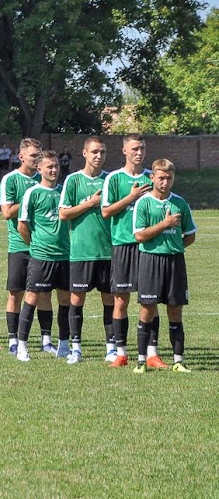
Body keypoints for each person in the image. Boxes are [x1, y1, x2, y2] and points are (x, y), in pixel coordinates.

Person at [102, 134, 164, 368]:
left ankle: (152, 353)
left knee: (150, 301)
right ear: (124, 151)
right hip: (123, 245)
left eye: (142, 148)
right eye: (135, 148)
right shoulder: (114, 179)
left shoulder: (152, 177)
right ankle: (121, 352)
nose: (139, 152)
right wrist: (131, 196)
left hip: (148, 247)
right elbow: (106, 212)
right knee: (121, 301)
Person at [131, 159, 196, 373]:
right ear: (152, 177)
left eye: (169, 177)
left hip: (175, 261)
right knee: (147, 310)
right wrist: (164, 225)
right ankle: (141, 361)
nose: (165, 182)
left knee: (175, 311)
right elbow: (140, 235)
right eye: (161, 177)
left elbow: (190, 235)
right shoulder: (143, 203)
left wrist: (174, 247)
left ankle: (178, 361)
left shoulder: (180, 203)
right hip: (150, 260)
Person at [0, 138, 62, 355]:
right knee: (16, 293)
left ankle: (46, 340)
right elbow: (7, 212)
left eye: (39, 155)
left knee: (44, 294)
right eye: (33, 155)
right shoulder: (11, 180)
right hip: (19, 245)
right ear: (21, 156)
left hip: (44, 248)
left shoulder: (44, 180)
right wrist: (30, 199)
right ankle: (13, 339)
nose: (36, 159)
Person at [59, 136, 115, 363]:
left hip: (108, 252)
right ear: (84, 153)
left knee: (110, 301)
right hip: (81, 252)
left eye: (102, 152)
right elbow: (63, 214)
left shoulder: (111, 180)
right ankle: (76, 348)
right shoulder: (72, 181)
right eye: (94, 152)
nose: (98, 156)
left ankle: (111, 348)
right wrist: (89, 204)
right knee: (76, 300)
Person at [15, 151, 71, 362]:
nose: (54, 170)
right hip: (41, 256)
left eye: (56, 166)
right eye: (49, 166)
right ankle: (22, 346)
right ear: (39, 169)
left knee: (65, 300)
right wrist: (36, 246)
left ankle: (63, 346)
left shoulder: (64, 192)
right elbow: (22, 226)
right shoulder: (32, 193)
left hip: (64, 256)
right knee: (32, 298)